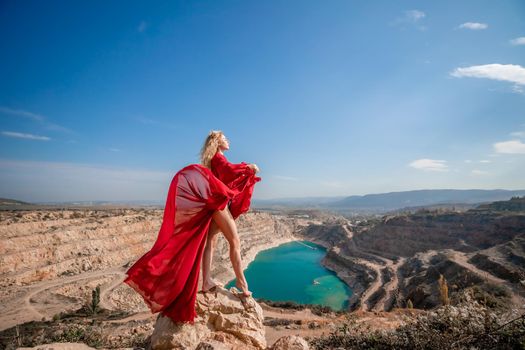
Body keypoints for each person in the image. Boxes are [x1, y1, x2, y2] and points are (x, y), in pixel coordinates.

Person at [123, 130, 261, 324]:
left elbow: (226, 177)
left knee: (210, 242)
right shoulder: (219, 157)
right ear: (217, 141)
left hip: (215, 204)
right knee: (235, 241)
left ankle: (206, 281)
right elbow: (230, 171)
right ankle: (241, 282)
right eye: (225, 138)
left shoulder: (214, 159)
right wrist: (249, 167)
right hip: (218, 205)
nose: (228, 140)